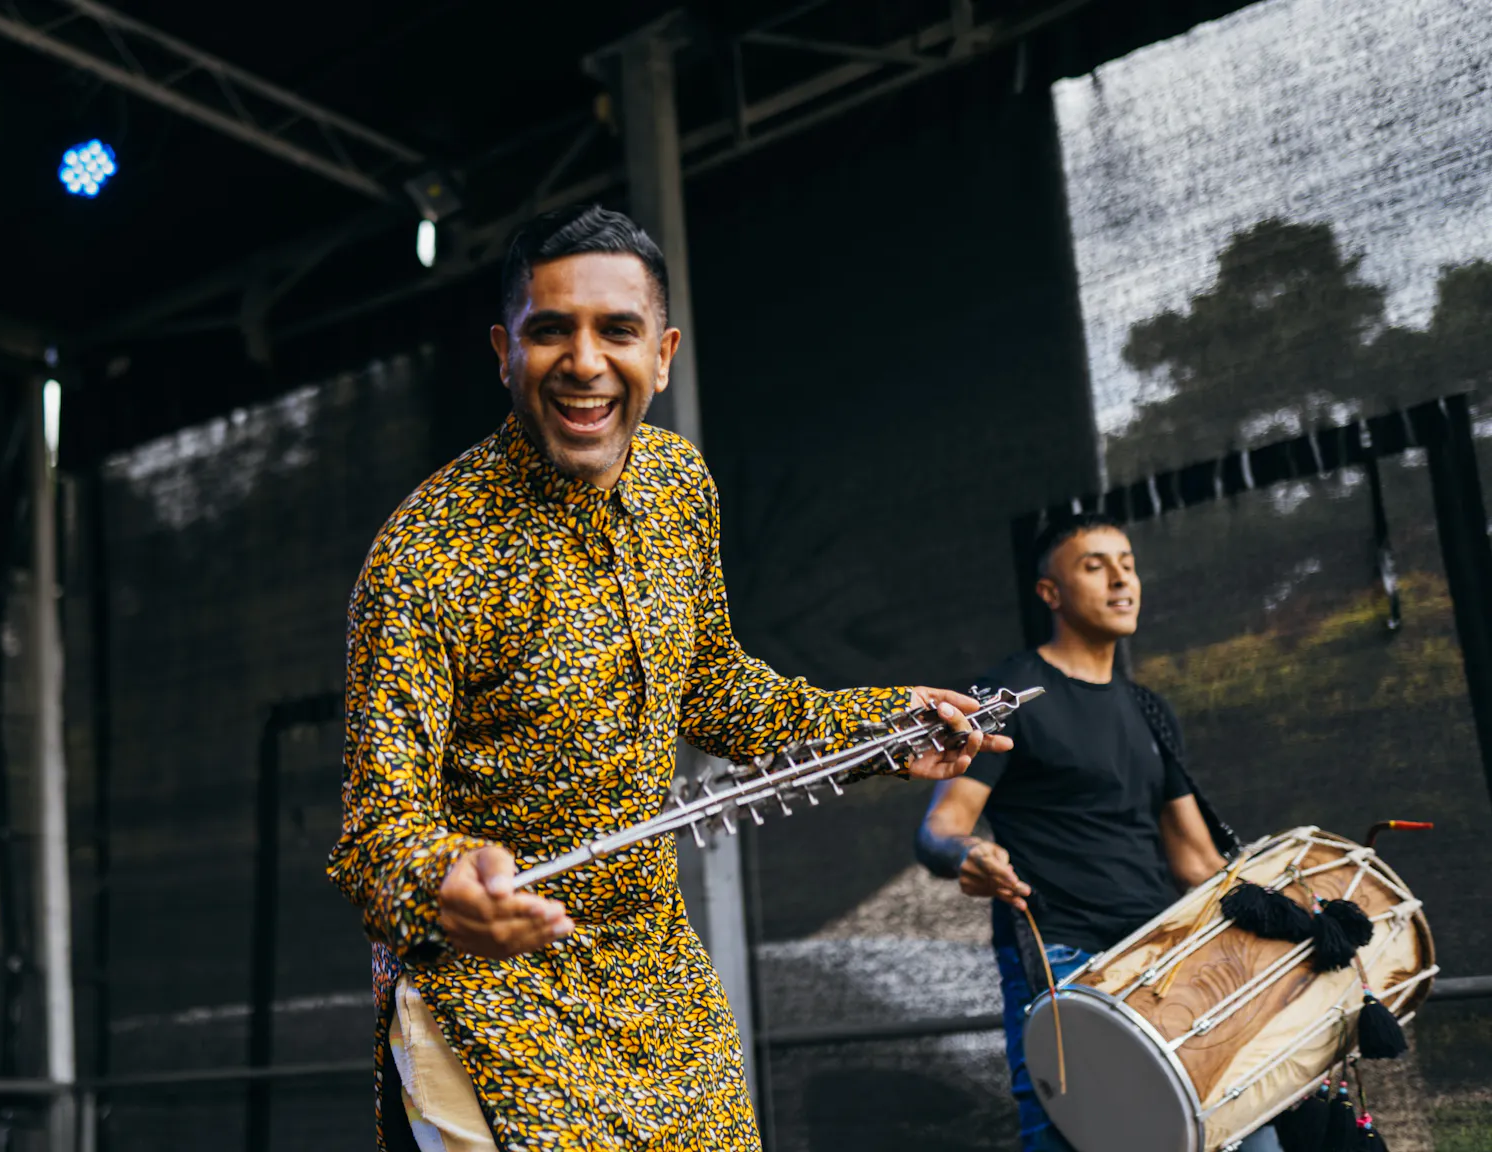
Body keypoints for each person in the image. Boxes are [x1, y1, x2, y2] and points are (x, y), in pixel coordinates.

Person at [327, 203, 1011, 1152]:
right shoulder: (424, 552)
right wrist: (442, 881)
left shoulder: (678, 488)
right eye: (549, 330)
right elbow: (375, 833)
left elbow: (714, 687)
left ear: (664, 350)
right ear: (502, 349)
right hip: (490, 997)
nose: (584, 362)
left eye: (617, 330)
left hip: (659, 987)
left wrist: (883, 728)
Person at [914, 513, 1279, 1152]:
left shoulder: (1147, 710)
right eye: (1094, 565)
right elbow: (942, 828)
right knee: (1079, 1138)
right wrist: (968, 855)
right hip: (1066, 960)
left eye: (1128, 563)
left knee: (1245, 1133)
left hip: (1168, 956)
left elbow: (1196, 862)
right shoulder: (1008, 697)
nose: (1120, 580)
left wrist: (1293, 914)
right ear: (1050, 592)